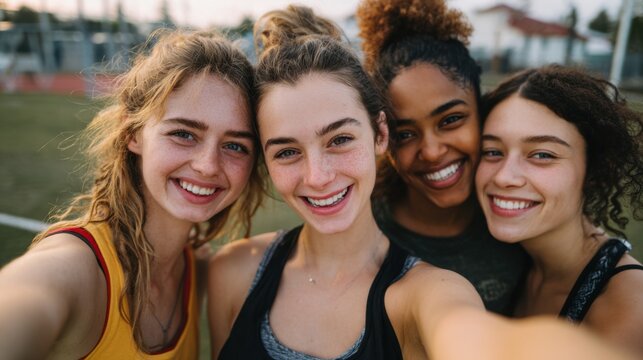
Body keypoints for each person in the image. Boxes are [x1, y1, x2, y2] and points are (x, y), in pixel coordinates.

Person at [207, 5, 639, 360]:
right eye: (286, 151)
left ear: (378, 134)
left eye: (339, 139)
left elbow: (473, 337)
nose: (317, 176)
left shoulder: (429, 291)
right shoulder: (233, 272)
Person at [0, 29, 264, 359]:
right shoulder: (78, 268)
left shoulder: (195, 267)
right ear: (133, 133)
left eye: (235, 145)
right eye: (184, 133)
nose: (208, 165)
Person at [356, 0, 527, 314]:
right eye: (405, 134)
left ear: (482, 110)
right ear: (384, 139)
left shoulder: (522, 210)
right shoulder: (363, 232)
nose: (432, 151)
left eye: (450, 120)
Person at [476, 65, 643, 355]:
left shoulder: (631, 307)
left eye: (542, 154)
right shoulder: (511, 261)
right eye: (492, 151)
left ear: (594, 170)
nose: (504, 176)